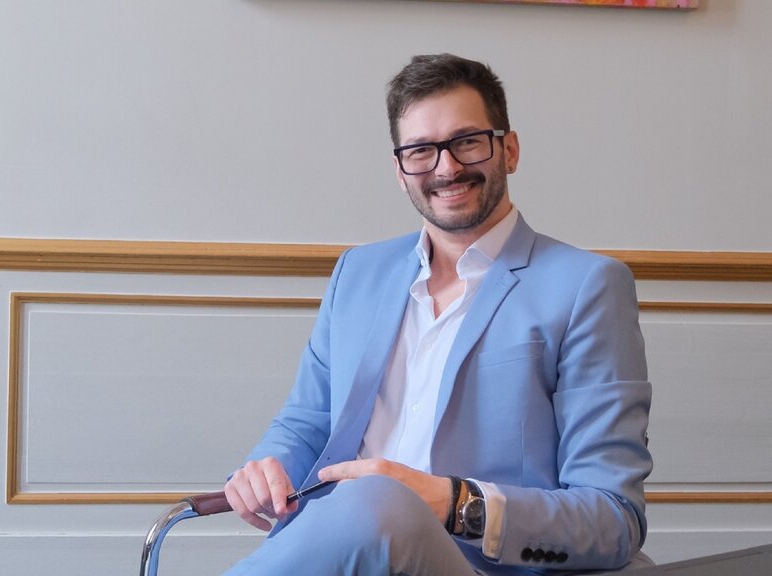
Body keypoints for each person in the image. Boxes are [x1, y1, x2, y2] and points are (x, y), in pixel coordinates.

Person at [223, 53, 653, 575]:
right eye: (421, 150)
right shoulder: (358, 272)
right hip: (345, 555)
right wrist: (265, 469)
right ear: (400, 171)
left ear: (509, 150)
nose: (446, 168)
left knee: (376, 498)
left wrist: (453, 502)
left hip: (479, 566)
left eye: (467, 141)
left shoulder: (587, 286)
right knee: (363, 502)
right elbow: (306, 422)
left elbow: (612, 517)